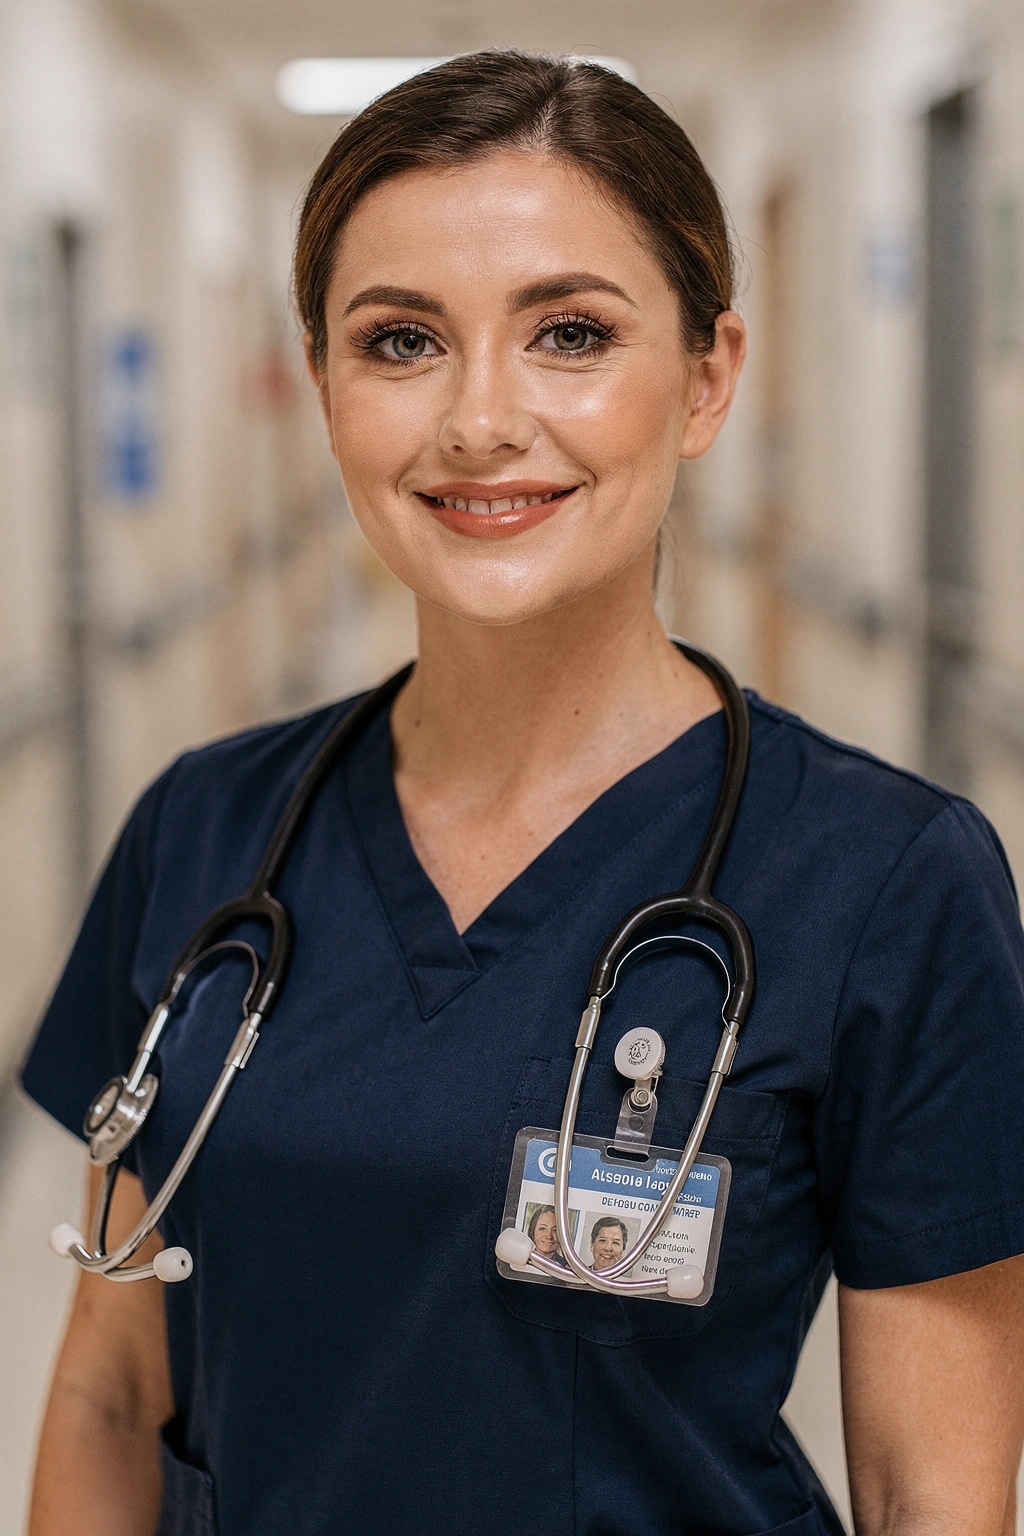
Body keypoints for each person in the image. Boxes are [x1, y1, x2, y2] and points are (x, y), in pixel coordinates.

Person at [21, 49, 1024, 1536]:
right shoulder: (207, 828)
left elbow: (930, 1491)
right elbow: (108, 1389)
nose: (480, 420)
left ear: (705, 377)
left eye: (569, 332)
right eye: (402, 341)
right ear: (324, 387)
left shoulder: (886, 880)